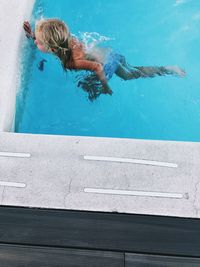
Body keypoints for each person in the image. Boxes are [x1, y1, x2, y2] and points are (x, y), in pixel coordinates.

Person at [23, 19, 185, 101]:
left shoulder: (72, 61)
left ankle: (166, 70)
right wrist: (32, 35)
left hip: (105, 65)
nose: (35, 41)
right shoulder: (65, 39)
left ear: (51, 48)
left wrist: (105, 86)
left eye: (38, 41)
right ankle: (166, 69)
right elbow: (50, 37)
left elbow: (97, 68)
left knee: (85, 85)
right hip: (110, 53)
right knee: (132, 70)